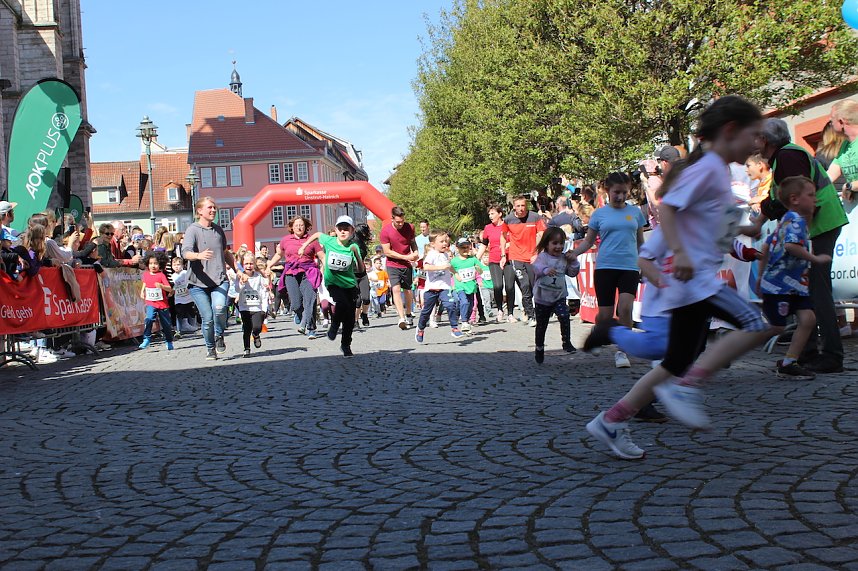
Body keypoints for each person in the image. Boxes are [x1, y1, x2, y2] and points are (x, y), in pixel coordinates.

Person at [586, 95, 771, 459]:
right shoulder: (709, 168)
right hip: (695, 281)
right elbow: (668, 207)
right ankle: (688, 385)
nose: (757, 144)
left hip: (692, 282)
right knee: (756, 324)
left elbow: (713, 222)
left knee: (674, 361)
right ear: (730, 131)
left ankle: (611, 421)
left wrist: (746, 232)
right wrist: (682, 252)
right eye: (754, 135)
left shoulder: (716, 171)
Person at [753, 117, 848, 373]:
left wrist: (795, 233)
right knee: (804, 291)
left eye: (756, 136)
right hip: (816, 227)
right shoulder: (785, 157)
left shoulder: (787, 157)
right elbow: (781, 199)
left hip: (819, 226)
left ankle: (831, 355)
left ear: (765, 140)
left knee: (816, 291)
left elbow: (801, 197)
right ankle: (805, 353)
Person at [568, 172, 646, 368]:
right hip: (605, 267)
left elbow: (640, 242)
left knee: (626, 308)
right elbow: (588, 241)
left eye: (624, 192)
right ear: (607, 191)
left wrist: (646, 262)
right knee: (605, 315)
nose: (620, 196)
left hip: (629, 267)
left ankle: (622, 350)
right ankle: (598, 333)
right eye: (616, 192)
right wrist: (574, 253)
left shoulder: (635, 212)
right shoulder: (599, 214)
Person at [756, 176, 831, 379]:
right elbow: (790, 246)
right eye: (811, 195)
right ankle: (736, 342)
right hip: (779, 286)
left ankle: (789, 361)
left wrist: (760, 275)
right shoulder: (795, 221)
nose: (815, 199)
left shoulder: (788, 219)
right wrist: (815, 259)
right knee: (776, 327)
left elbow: (766, 245)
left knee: (808, 319)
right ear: (795, 199)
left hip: (794, 286)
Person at [298, 215, 364, 357]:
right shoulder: (329, 240)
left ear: (352, 231)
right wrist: (304, 245)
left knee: (350, 319)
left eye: (346, 229)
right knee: (342, 303)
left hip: (350, 285)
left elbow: (360, 269)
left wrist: (356, 256)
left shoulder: (353, 247)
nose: (343, 231)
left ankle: (346, 345)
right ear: (335, 230)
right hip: (333, 282)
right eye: (340, 228)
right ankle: (334, 325)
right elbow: (316, 234)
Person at [182, 196, 236, 360]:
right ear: (199, 211)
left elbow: (225, 252)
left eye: (214, 208)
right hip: (198, 283)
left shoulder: (219, 230)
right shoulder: (193, 230)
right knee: (207, 318)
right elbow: (185, 253)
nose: (213, 210)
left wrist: (236, 269)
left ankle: (219, 335)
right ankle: (210, 348)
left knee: (219, 309)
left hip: (219, 279)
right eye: (209, 208)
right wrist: (198, 255)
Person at [266, 216, 322, 339]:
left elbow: (322, 256)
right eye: (296, 225)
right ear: (292, 227)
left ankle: (310, 328)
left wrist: (323, 270)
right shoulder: (286, 240)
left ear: (306, 227)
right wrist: (269, 265)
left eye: (301, 225)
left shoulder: (312, 240)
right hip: (291, 273)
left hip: (308, 272)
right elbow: (278, 255)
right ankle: (299, 314)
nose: (299, 227)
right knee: (296, 304)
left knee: (310, 299)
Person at [532, 226, 580, 363]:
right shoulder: (543, 257)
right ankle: (539, 347)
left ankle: (566, 342)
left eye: (561, 243)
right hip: (543, 297)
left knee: (564, 315)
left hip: (559, 295)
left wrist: (574, 261)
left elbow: (572, 273)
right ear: (546, 244)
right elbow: (536, 268)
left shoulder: (564, 258)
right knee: (542, 325)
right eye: (555, 243)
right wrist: (545, 269)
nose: (558, 247)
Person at [502, 195, 545, 325]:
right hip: (516, 256)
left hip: (532, 256)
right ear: (514, 206)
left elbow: (542, 234)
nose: (521, 209)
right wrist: (503, 255)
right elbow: (503, 236)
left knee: (533, 286)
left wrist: (537, 252)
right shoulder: (508, 219)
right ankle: (531, 315)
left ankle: (537, 311)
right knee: (524, 285)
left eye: (523, 205)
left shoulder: (535, 217)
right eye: (518, 206)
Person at [415, 230, 463, 343]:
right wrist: (441, 267)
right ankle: (420, 328)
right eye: (441, 241)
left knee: (451, 305)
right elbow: (426, 268)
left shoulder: (446, 254)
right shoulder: (431, 254)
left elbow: (449, 266)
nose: (445, 244)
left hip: (444, 287)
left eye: (446, 241)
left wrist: (456, 274)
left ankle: (454, 328)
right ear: (433, 244)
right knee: (426, 312)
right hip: (431, 289)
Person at [380, 206, 419, 330]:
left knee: (407, 290)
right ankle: (401, 318)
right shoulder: (385, 231)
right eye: (398, 222)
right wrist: (404, 257)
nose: (401, 224)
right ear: (392, 219)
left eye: (402, 221)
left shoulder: (410, 227)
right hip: (392, 264)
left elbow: (412, 242)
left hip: (406, 264)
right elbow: (387, 252)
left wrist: (416, 252)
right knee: (396, 289)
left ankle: (408, 313)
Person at [234, 251, 270, 358]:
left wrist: (264, 307)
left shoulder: (258, 276)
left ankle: (256, 334)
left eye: (251, 263)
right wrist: (241, 283)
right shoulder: (240, 276)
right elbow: (237, 289)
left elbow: (264, 291)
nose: (249, 266)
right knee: (246, 328)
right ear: (243, 265)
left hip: (257, 306)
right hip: (244, 306)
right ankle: (246, 348)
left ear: (254, 264)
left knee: (257, 326)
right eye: (246, 264)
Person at [139, 251, 174, 351]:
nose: (153, 266)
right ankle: (146, 338)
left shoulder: (161, 275)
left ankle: (169, 340)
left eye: (155, 263)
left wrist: (161, 286)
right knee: (149, 319)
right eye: (150, 263)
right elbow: (145, 283)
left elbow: (169, 288)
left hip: (162, 304)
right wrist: (142, 291)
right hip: (151, 302)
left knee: (166, 324)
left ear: (160, 264)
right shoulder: (145, 274)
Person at [477, 205, 507, 322]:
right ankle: (500, 309)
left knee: (509, 286)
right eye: (489, 214)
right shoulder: (487, 228)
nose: (490, 216)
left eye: (492, 213)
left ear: (500, 214)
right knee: (498, 286)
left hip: (508, 258)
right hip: (494, 259)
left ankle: (511, 312)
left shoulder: (507, 225)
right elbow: (484, 244)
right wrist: (476, 259)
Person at [450, 238, 480, 332]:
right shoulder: (455, 261)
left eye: (467, 247)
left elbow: (481, 269)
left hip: (471, 286)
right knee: (464, 302)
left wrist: (478, 269)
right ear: (457, 248)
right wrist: (455, 274)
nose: (465, 249)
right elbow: (449, 268)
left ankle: (465, 321)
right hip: (460, 286)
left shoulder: (473, 259)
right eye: (462, 247)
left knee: (470, 306)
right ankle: (464, 322)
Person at [352, 223, 373, 328]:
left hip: (362, 273)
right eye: (365, 232)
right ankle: (355, 321)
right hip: (352, 274)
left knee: (366, 298)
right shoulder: (351, 241)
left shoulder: (362, 242)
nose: (367, 234)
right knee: (357, 300)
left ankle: (364, 314)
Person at [170, 256, 197, 334]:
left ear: (182, 265)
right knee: (180, 313)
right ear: (172, 266)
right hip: (179, 299)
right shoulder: (172, 276)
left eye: (178, 265)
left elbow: (190, 281)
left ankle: (193, 325)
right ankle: (179, 329)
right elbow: (173, 287)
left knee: (191, 312)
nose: (176, 267)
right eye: (174, 265)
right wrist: (171, 292)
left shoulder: (185, 273)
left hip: (189, 297)